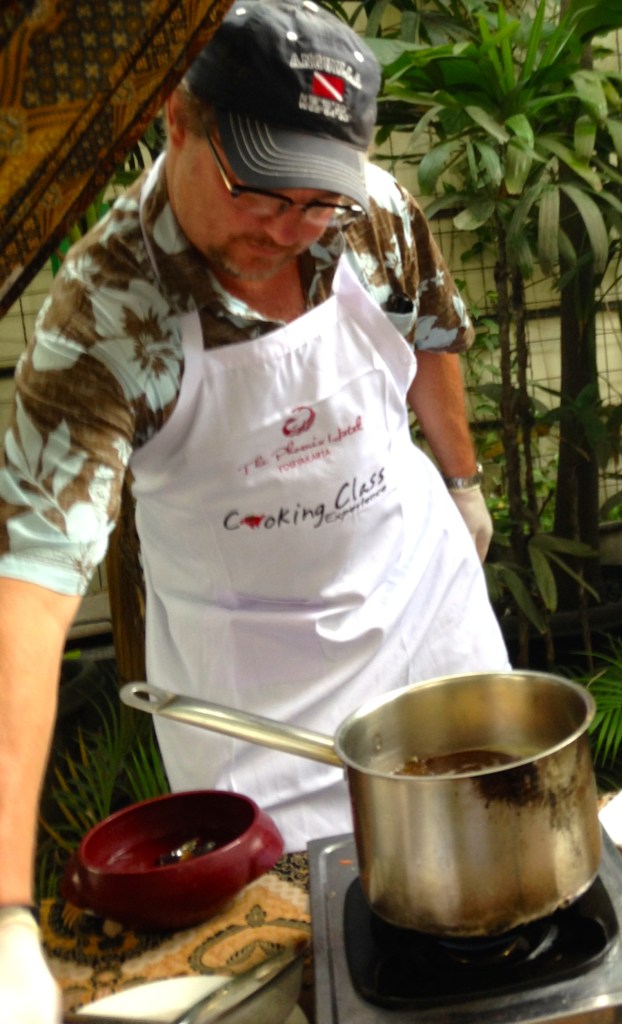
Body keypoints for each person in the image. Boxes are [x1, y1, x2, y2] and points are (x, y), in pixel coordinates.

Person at [0, 0, 510, 1018]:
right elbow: (26, 604)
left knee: (490, 906)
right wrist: (8, 913)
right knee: (303, 967)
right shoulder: (103, 317)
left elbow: (434, 333)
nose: (285, 228)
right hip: (257, 700)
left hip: (422, 611)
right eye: (255, 190)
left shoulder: (368, 210)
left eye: (314, 202)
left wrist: (462, 483)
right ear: (177, 121)